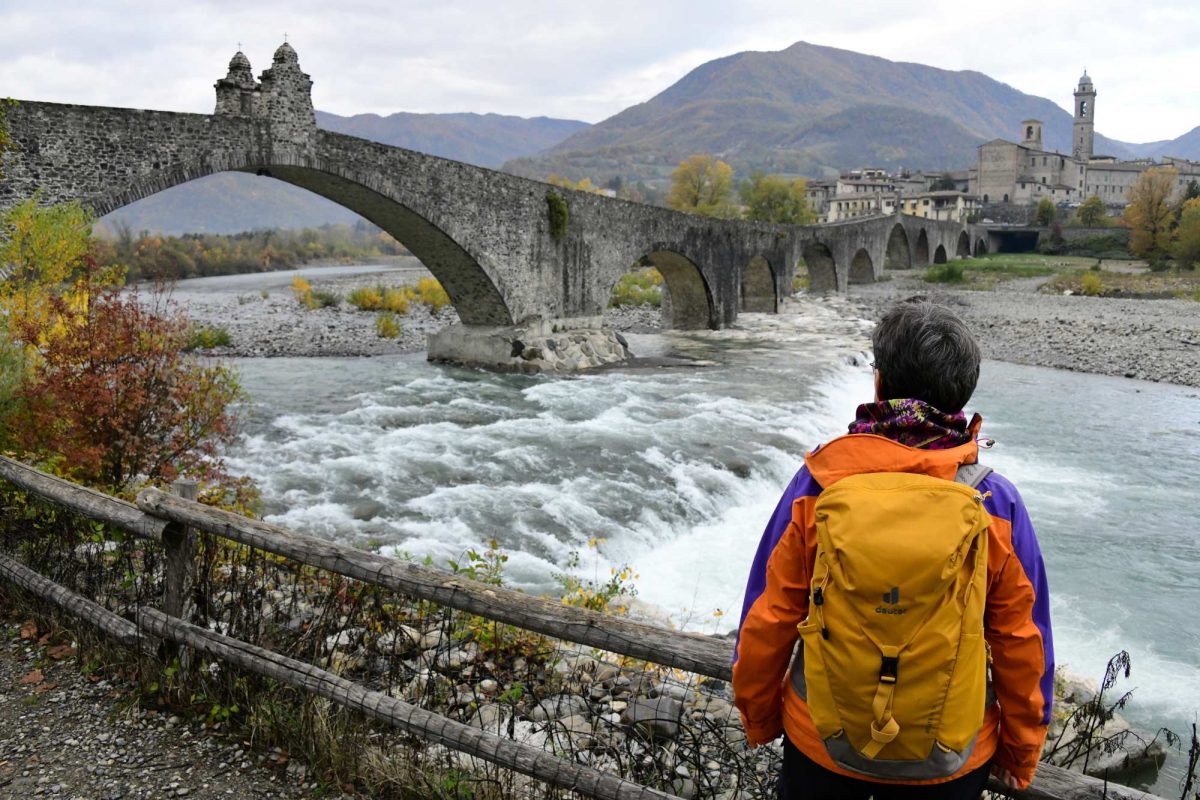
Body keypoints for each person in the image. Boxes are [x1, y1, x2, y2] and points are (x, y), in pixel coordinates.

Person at [732, 300, 1053, 799]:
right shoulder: (996, 502)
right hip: (948, 757)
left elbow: (769, 614)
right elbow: (1022, 640)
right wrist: (1022, 750)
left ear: (878, 384)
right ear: (963, 399)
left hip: (822, 742)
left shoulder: (817, 485)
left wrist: (758, 713)